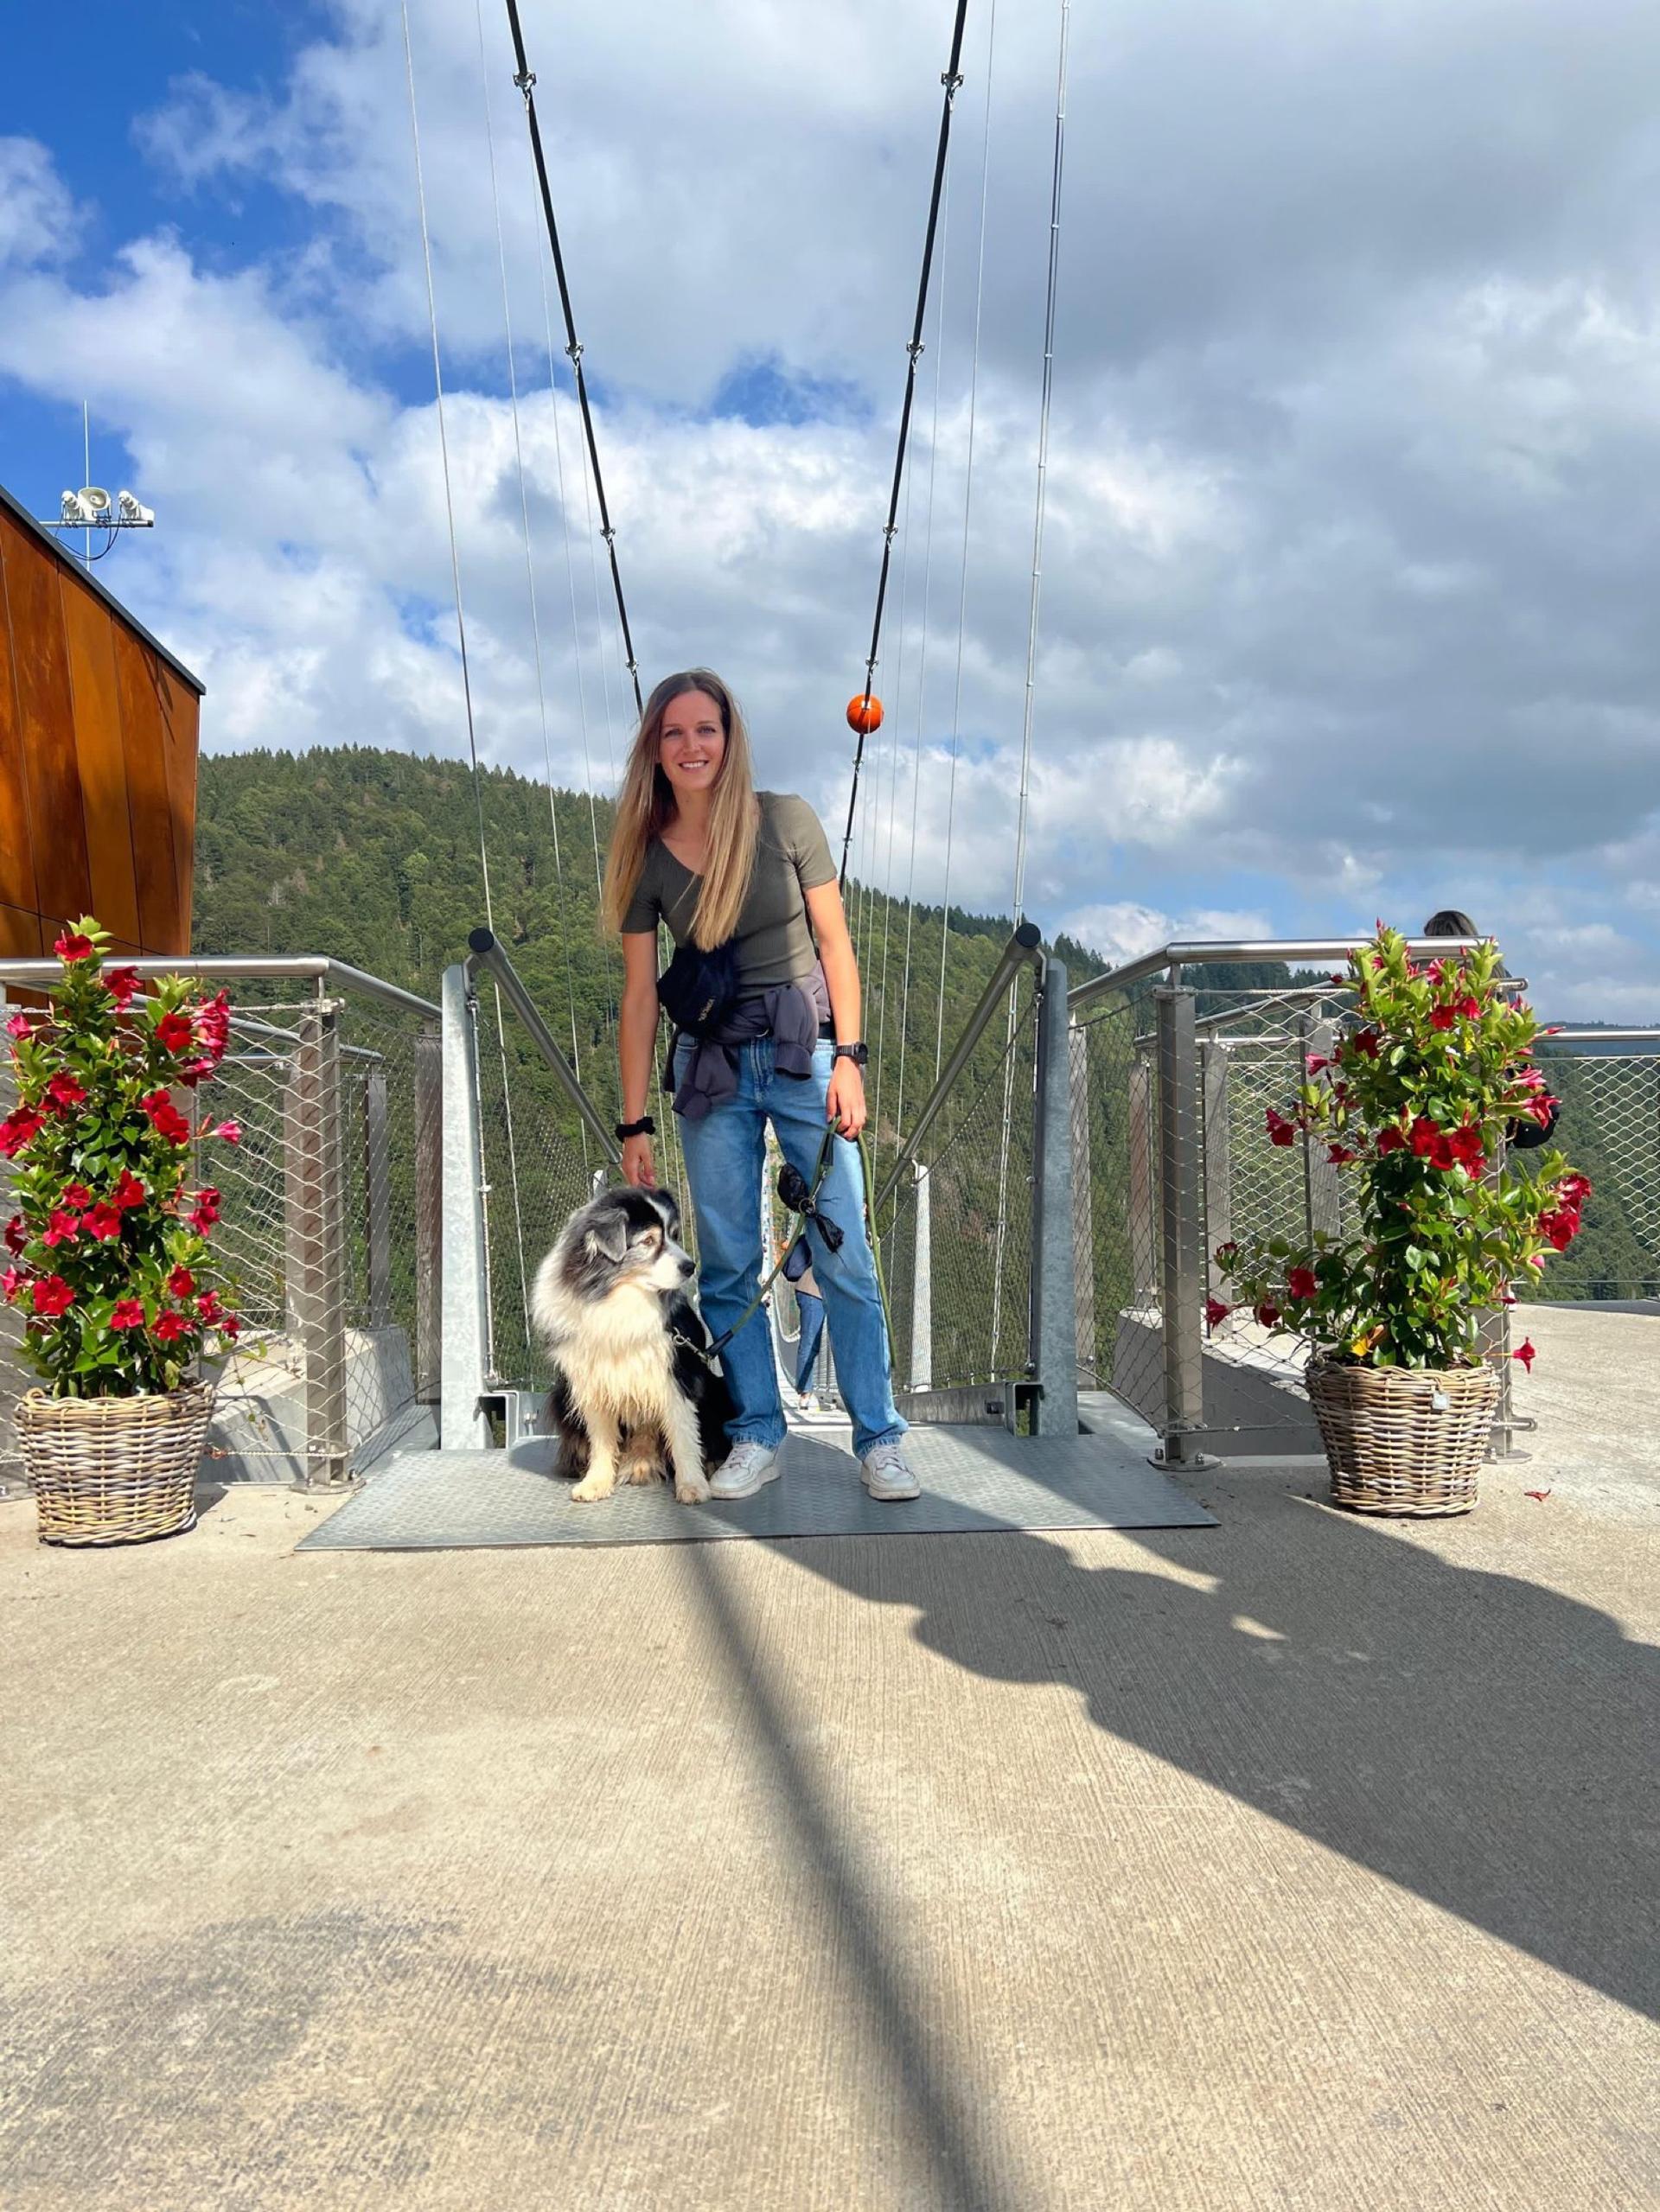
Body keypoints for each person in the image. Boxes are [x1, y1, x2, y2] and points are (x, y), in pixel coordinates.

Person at [602, 669, 916, 1501]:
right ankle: (755, 1435)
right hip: (712, 1067)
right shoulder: (645, 854)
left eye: (706, 729)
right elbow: (640, 997)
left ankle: (879, 1439)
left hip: (803, 1054)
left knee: (845, 1250)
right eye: (673, 733)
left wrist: (849, 1056)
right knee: (732, 1261)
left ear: (730, 739)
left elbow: (835, 945)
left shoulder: (786, 820)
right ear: (654, 750)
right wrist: (634, 1123)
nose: (691, 746)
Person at [1423, 908, 1559, 1148]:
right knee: (1489, 1147)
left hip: (1444, 1072)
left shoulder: (1431, 975)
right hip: (1495, 1075)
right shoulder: (1498, 974)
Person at [784, 1238, 827, 1415]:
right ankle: (805, 1393)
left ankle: (806, 1391)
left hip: (821, 1292)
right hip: (812, 1291)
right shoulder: (834, 1220)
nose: (863, 1209)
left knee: (814, 1343)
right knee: (810, 1341)